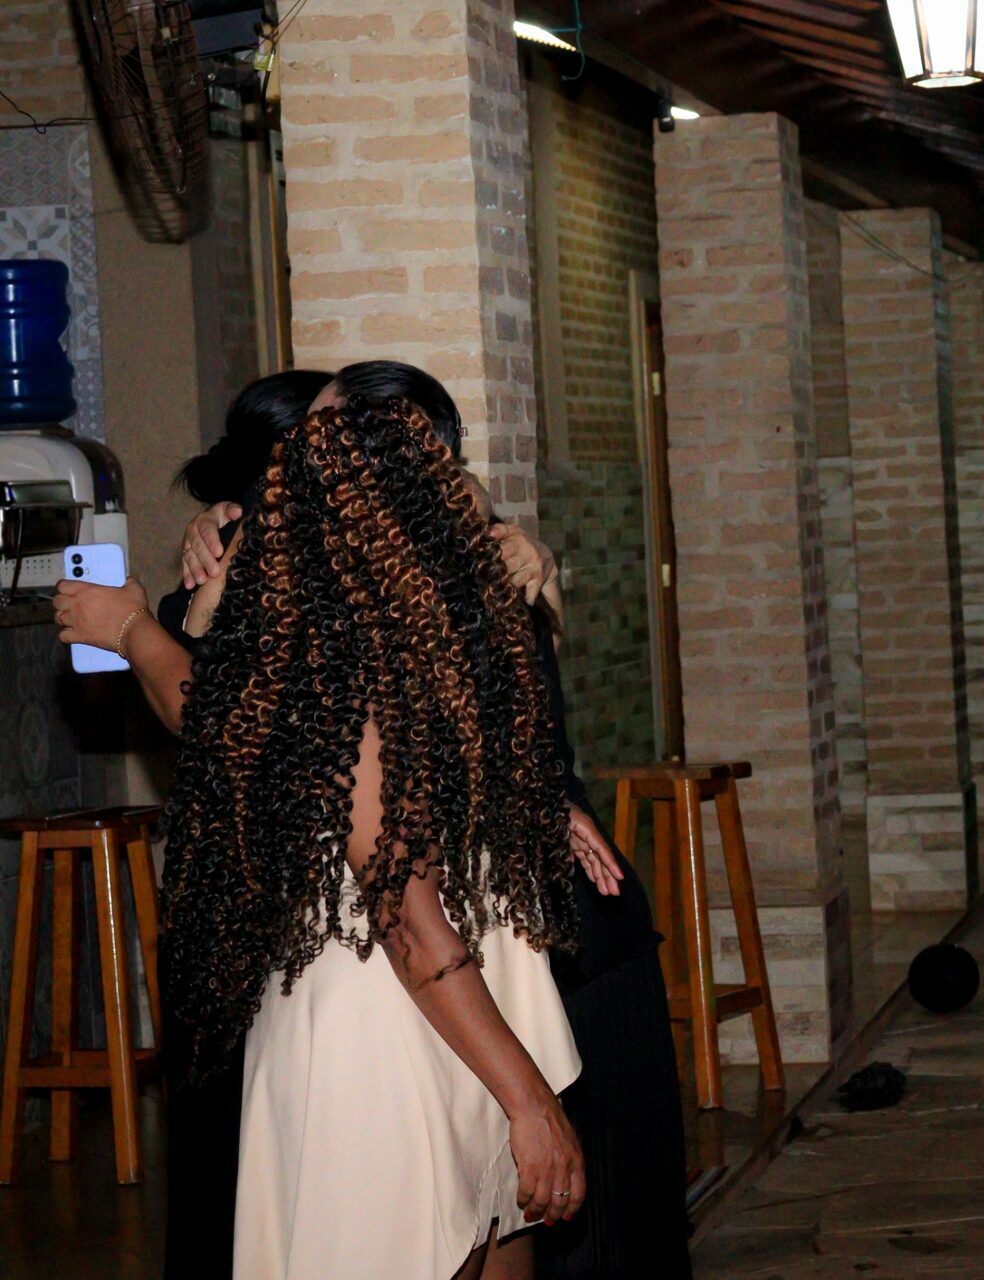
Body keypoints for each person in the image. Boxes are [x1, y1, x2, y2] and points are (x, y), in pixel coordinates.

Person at [57, 364, 691, 1280]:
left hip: (434, 1016)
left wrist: (525, 1101)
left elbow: (414, 914)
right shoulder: (382, 642)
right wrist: (527, 1097)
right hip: (408, 1028)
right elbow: (239, 728)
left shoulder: (380, 641)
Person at [160, 391, 581, 1279]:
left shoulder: (428, 651)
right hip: (377, 1041)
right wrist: (529, 1100)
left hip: (464, 1019)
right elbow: (409, 924)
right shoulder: (342, 671)